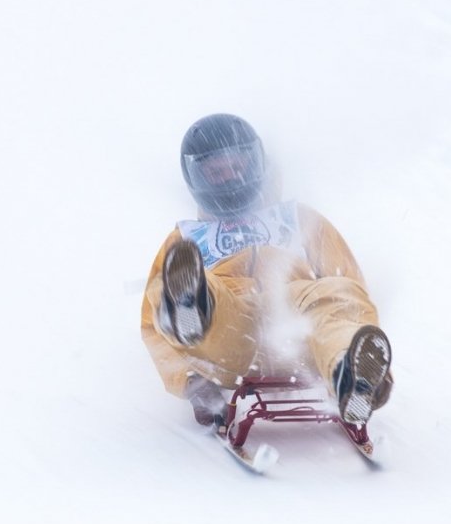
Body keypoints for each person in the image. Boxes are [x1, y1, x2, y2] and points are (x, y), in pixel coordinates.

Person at [140, 113, 393, 428]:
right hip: (233, 343)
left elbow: (351, 290)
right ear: (196, 179)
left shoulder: (297, 218)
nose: (231, 177)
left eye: (238, 166)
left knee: (334, 294)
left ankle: (351, 373)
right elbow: (152, 326)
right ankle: (193, 308)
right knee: (198, 295)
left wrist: (346, 317)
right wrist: (189, 381)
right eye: (217, 172)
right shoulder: (187, 239)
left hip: (300, 332)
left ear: (258, 162)